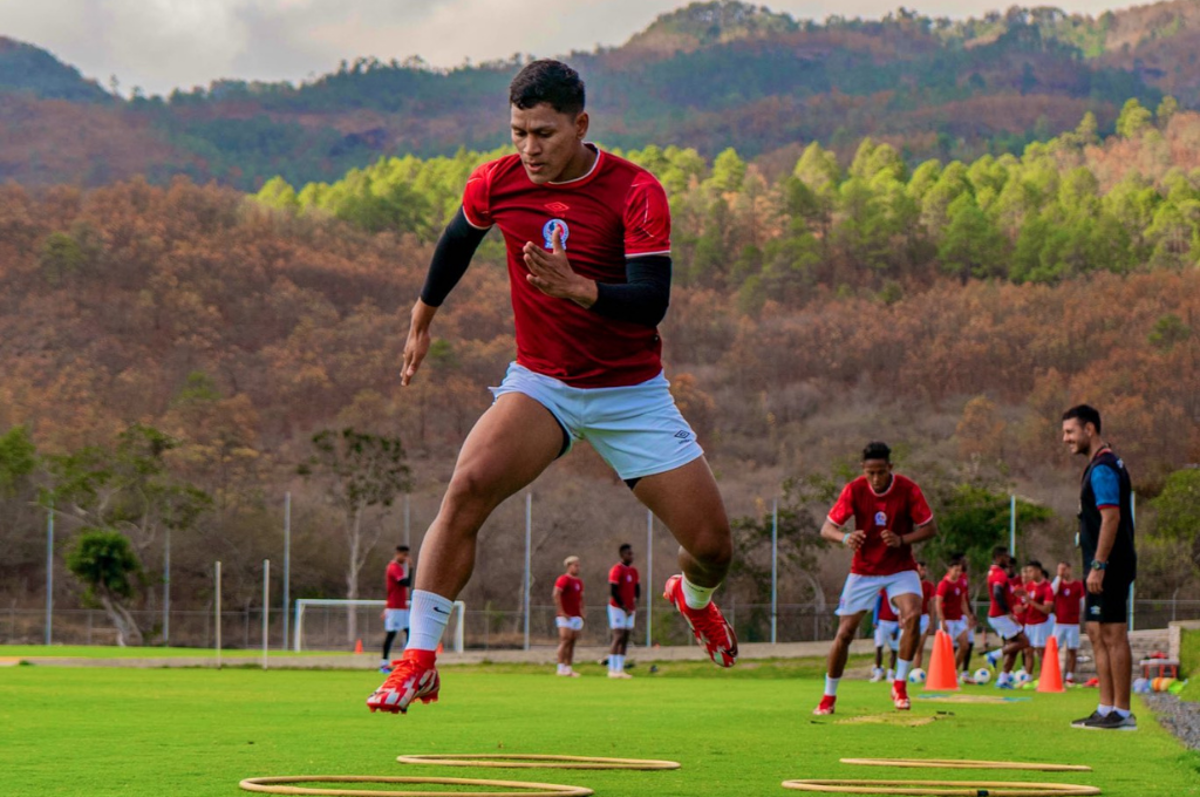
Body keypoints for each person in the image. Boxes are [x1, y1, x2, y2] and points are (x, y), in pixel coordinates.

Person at [367, 60, 737, 714]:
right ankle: (418, 658)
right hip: (543, 383)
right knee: (467, 484)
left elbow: (652, 300)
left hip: (631, 392)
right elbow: (458, 239)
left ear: (580, 125)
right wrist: (423, 314)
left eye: (544, 134)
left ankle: (694, 598)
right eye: (518, 133)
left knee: (712, 547)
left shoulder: (636, 190)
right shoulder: (498, 181)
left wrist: (580, 288)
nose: (529, 150)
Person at [814, 441, 938, 715]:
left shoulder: (907, 489)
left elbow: (930, 527)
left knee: (914, 616)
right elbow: (827, 528)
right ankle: (828, 696)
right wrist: (846, 537)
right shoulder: (855, 489)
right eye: (870, 472)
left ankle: (900, 685)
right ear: (863, 470)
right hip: (864, 570)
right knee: (845, 633)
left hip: (901, 568)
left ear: (890, 468)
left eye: (881, 472)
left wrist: (902, 539)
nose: (876, 478)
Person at [1062, 404, 1137, 730]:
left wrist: (1099, 565)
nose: (1065, 439)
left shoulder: (1105, 467)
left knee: (1112, 633)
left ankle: (1122, 712)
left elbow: (1112, 517)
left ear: (1089, 429)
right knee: (1095, 632)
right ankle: (1106, 707)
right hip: (1100, 564)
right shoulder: (1097, 465)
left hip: (1110, 565)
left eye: (1070, 432)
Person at [983, 546, 1030, 688]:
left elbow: (1001, 592)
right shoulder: (999, 574)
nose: (1008, 558)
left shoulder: (993, 572)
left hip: (998, 615)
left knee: (1014, 647)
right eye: (1005, 556)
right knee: (1024, 642)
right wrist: (1008, 612)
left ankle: (1002, 679)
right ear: (998, 557)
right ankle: (993, 655)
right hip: (1000, 615)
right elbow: (997, 593)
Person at [935, 556, 973, 678]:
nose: (958, 573)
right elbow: (938, 603)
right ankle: (942, 673)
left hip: (958, 619)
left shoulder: (961, 583)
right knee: (946, 649)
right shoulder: (944, 584)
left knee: (965, 645)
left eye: (960, 570)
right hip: (947, 620)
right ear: (950, 569)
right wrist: (942, 620)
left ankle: (953, 671)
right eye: (956, 570)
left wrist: (969, 616)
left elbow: (963, 602)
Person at [607, 544, 640, 679]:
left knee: (626, 638)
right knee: (618, 636)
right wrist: (623, 606)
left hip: (630, 609)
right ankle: (612, 669)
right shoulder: (617, 570)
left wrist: (634, 603)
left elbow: (637, 589)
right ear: (622, 555)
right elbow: (613, 591)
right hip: (617, 608)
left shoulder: (633, 571)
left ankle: (620, 669)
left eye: (632, 554)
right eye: (628, 554)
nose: (631, 556)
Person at [380, 546, 412, 674]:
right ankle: (384, 664)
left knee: (410, 632)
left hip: (401, 607)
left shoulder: (398, 568)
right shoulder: (393, 567)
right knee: (391, 634)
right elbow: (405, 583)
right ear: (397, 554)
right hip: (394, 608)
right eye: (404, 555)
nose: (406, 558)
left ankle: (408, 661)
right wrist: (411, 568)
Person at [1052, 561, 1085, 685]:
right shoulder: (1058, 584)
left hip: (1073, 623)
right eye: (1060, 569)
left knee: (1072, 649)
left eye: (1064, 569)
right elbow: (1052, 592)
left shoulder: (1078, 585)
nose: (1062, 571)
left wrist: (1079, 615)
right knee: (1055, 648)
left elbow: (1082, 602)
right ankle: (1054, 673)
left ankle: (1070, 676)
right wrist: (1059, 577)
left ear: (1069, 569)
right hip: (1059, 622)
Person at [1021, 560, 1055, 677]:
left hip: (1041, 623)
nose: (1028, 574)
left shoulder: (1047, 588)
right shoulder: (1029, 586)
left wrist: (1031, 602)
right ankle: (1028, 677)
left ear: (1038, 571)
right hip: (1029, 623)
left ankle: (1044, 677)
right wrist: (1023, 608)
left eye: (1031, 571)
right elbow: (1027, 604)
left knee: (1041, 652)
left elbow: (1047, 609)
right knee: (1027, 651)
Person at [553, 556, 584, 677]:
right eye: (575, 565)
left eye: (578, 565)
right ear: (569, 566)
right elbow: (556, 594)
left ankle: (568, 668)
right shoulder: (563, 579)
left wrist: (582, 611)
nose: (577, 568)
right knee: (565, 640)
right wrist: (562, 611)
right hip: (565, 616)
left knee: (572, 642)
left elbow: (581, 598)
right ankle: (560, 667)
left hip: (576, 615)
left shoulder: (579, 582)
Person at [870, 589, 900, 682]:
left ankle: (890, 673)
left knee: (894, 649)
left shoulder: (900, 591)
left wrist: (897, 628)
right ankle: (878, 671)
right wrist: (875, 620)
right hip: (882, 622)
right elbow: (877, 604)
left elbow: (902, 610)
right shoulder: (883, 590)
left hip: (895, 623)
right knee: (879, 646)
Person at [911, 561, 936, 671]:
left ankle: (916, 670)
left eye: (924, 570)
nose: (922, 572)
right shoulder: (909, 584)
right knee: (909, 646)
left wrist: (931, 621)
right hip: (911, 616)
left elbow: (931, 604)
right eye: (920, 569)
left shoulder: (929, 586)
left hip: (924, 617)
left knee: (919, 647)